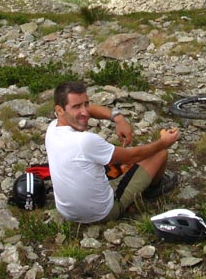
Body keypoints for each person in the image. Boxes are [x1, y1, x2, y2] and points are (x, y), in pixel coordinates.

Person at [45, 80, 180, 224]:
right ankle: (154, 189)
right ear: (59, 110)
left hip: (67, 212)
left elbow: (90, 110)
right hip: (102, 212)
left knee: (107, 165)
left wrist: (118, 118)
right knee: (159, 153)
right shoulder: (85, 141)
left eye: (86, 103)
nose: (85, 111)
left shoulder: (52, 129)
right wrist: (163, 142)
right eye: (77, 107)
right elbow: (131, 157)